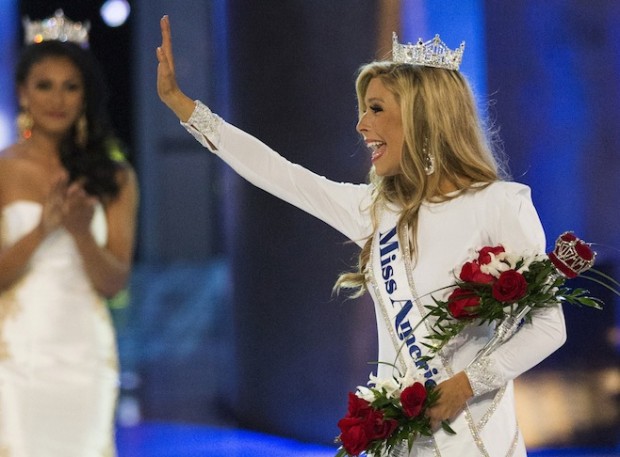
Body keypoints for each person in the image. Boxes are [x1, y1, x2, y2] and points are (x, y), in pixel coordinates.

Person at [156, 15, 565, 457]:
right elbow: (280, 174)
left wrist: (466, 385)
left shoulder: (501, 204)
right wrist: (184, 107)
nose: (360, 125)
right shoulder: (375, 211)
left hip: (478, 438)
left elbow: (549, 327)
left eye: (376, 109)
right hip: (402, 442)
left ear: (423, 117)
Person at [0, 11, 138, 457]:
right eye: (44, 85)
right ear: (22, 92)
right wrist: (43, 228)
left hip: (84, 355)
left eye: (70, 85)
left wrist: (80, 233)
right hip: (15, 355)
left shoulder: (114, 177)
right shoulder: (3, 171)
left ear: (85, 96)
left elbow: (114, 283)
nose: (56, 98)